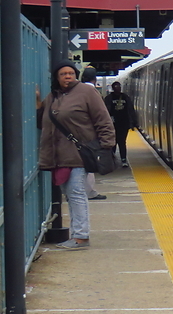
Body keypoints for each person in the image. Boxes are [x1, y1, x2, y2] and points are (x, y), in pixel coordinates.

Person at [38, 60, 115, 250]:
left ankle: (81, 236)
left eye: (71, 73)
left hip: (79, 153)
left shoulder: (87, 93)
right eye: (63, 74)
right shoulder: (53, 97)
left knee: (76, 193)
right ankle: (77, 235)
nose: (68, 77)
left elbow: (103, 119)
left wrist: (107, 146)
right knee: (70, 194)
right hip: (59, 156)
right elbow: (42, 123)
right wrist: (38, 103)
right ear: (56, 77)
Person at [80, 66, 106, 200]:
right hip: (89, 135)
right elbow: (100, 115)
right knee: (89, 165)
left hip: (77, 135)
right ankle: (89, 192)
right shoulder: (93, 92)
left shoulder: (76, 90)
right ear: (95, 79)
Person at [104, 81, 138, 168]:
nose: (118, 88)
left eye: (119, 87)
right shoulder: (109, 98)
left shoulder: (125, 97)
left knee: (122, 142)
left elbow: (130, 110)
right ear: (113, 88)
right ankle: (112, 159)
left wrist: (133, 122)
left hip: (124, 123)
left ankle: (123, 159)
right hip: (112, 124)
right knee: (113, 142)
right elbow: (105, 111)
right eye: (116, 87)